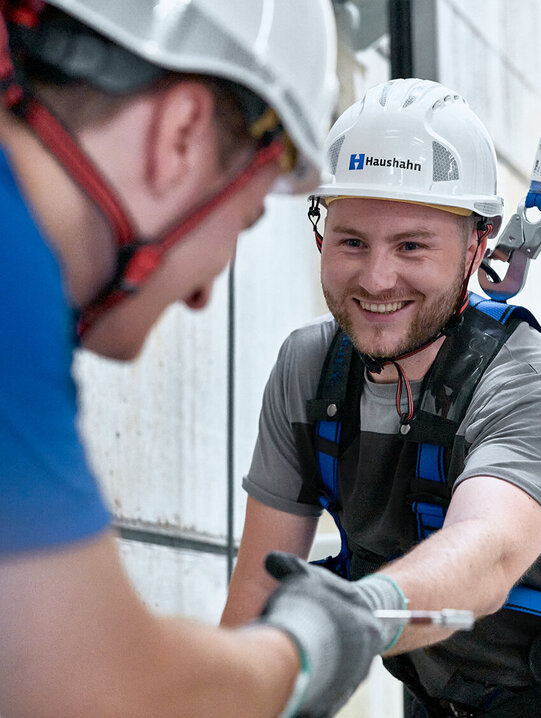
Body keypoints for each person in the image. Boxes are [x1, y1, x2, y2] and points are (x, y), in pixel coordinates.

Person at [0, 2, 410, 717]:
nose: (202, 293)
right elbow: (102, 690)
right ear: (181, 135)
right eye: (244, 221)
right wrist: (304, 648)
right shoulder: (14, 282)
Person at [222, 78, 541, 717]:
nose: (377, 279)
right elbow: (253, 598)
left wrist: (352, 617)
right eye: (352, 241)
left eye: (412, 245)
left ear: (477, 245)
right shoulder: (309, 371)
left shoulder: (532, 388)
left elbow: (486, 557)